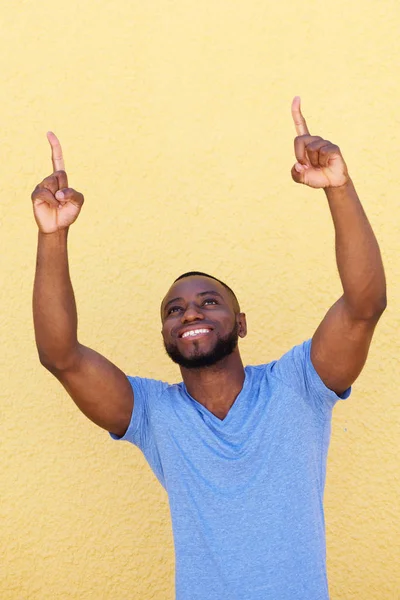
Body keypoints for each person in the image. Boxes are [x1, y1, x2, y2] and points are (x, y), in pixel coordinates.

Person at [32, 97, 386, 600]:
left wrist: (339, 189)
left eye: (208, 302)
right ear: (164, 337)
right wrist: (53, 236)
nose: (191, 313)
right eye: (174, 310)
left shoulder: (298, 385)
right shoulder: (156, 414)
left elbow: (363, 306)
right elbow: (60, 356)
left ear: (240, 324)